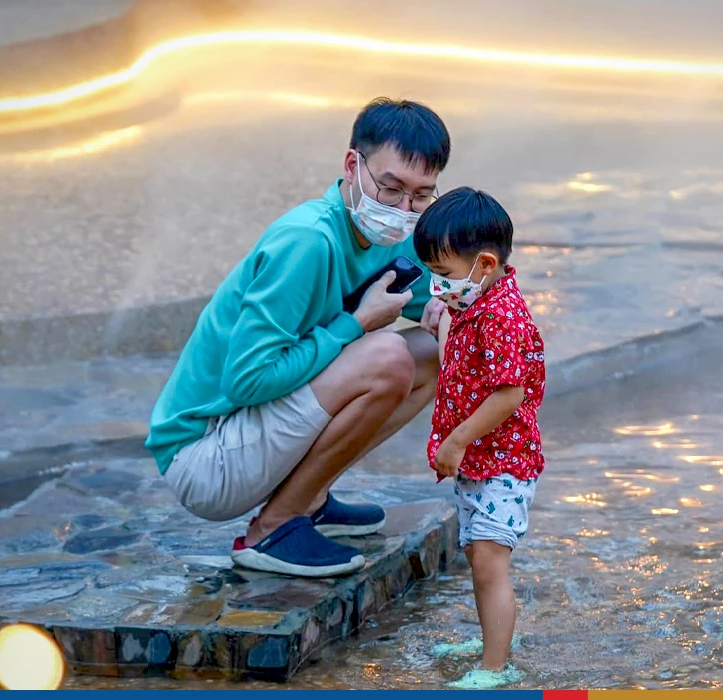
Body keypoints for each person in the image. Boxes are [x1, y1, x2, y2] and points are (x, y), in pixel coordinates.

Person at [146, 98, 451, 578]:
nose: (404, 210)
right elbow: (248, 381)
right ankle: (273, 528)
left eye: (421, 196)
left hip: (252, 432)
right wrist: (357, 324)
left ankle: (308, 499)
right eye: (391, 189)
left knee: (435, 352)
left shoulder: (396, 236)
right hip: (205, 455)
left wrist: (448, 305)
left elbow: (436, 305)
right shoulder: (307, 240)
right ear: (353, 165)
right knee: (388, 354)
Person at [413, 187, 546, 688]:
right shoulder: (476, 301)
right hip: (482, 460)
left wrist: (457, 440)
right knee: (477, 553)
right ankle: (491, 637)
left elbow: (509, 393)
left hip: (504, 461)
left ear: (484, 263)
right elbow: (456, 363)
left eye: (444, 275)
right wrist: (445, 318)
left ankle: (495, 667)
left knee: (491, 561)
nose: (437, 284)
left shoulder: (503, 316)